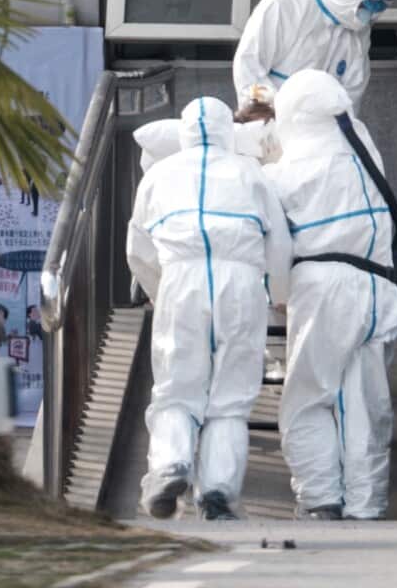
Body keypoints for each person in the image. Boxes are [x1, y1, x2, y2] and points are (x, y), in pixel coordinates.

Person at [126, 96, 292, 520]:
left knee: (175, 388)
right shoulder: (250, 173)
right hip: (241, 283)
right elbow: (279, 245)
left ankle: (170, 465)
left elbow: (138, 250)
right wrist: (279, 293)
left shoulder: (158, 175)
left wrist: (159, 290)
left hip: (180, 281)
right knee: (231, 398)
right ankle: (218, 491)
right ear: (227, 131)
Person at [264, 69, 397, 521]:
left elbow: (277, 247)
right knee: (365, 406)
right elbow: (343, 119)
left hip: (323, 289)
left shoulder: (282, 175)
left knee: (307, 399)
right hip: (380, 288)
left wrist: (279, 293)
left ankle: (320, 499)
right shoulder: (366, 155)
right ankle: (366, 506)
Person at [233, 0, 397, 112]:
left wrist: (336, 128)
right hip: (269, 122)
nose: (371, 16)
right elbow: (249, 70)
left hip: (319, 129)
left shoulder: (358, 33)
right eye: (367, 7)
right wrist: (274, 120)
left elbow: (350, 96)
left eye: (377, 9)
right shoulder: (283, 6)